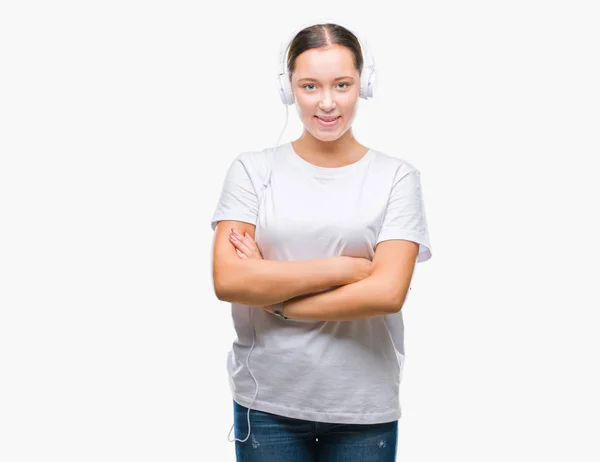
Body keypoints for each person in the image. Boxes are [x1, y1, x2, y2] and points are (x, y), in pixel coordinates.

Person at [210, 19, 433, 462]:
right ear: (288, 87)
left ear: (363, 86)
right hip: (267, 401)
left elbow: (387, 293)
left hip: (362, 404)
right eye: (310, 86)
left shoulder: (396, 177)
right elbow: (229, 281)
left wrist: (277, 301)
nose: (327, 103)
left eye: (342, 85)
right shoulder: (252, 171)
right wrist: (344, 269)